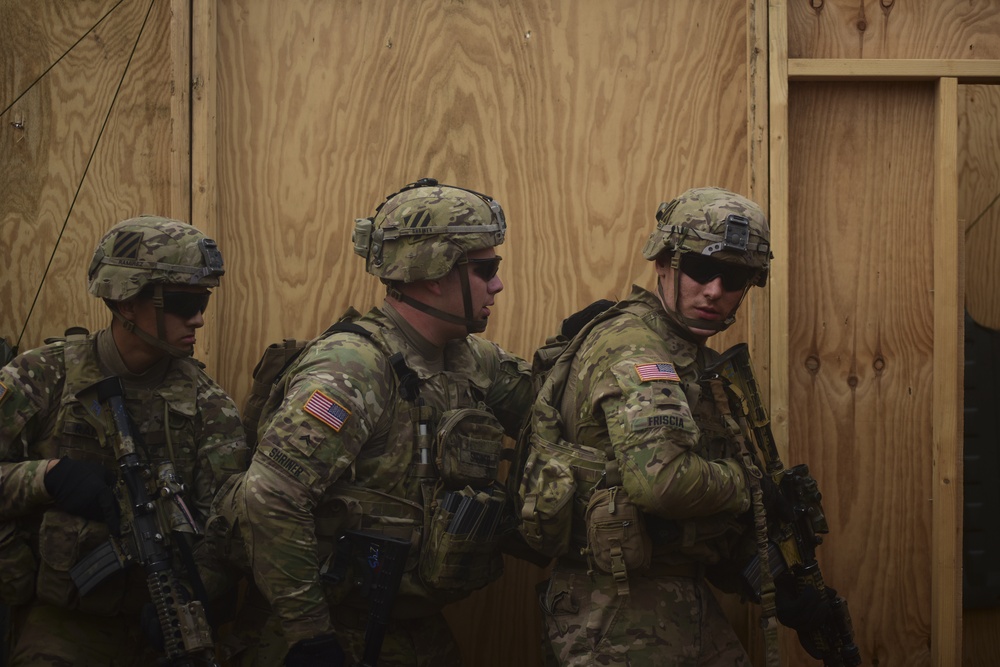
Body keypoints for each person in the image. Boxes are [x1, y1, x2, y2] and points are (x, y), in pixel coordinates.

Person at [220, 178, 533, 666]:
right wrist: (309, 634)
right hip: (333, 630)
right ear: (433, 271)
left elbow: (543, 406)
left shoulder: (469, 359)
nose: (498, 284)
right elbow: (271, 497)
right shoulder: (355, 366)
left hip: (412, 628)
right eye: (485, 269)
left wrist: (590, 347)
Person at [539, 187, 775, 666]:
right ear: (665, 262)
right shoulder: (638, 346)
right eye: (701, 269)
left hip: (671, 598)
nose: (715, 290)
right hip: (617, 609)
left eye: (733, 277)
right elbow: (662, 481)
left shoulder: (684, 351)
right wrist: (750, 484)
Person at [0, 215, 249, 666]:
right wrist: (45, 478)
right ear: (125, 301)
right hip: (67, 623)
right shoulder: (43, 377)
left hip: (166, 623)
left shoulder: (209, 405)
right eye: (181, 301)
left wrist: (195, 593)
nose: (197, 317)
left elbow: (227, 528)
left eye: (203, 302)